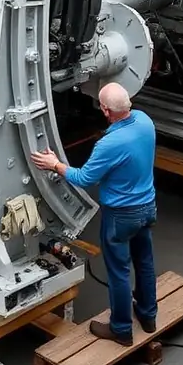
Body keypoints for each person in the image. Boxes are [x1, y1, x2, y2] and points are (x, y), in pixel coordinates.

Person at [31, 82, 157, 346]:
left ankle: (121, 329)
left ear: (105, 110)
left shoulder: (109, 144)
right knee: (144, 261)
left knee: (119, 271)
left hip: (121, 215)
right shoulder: (146, 122)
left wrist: (55, 165)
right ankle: (148, 315)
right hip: (148, 207)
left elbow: (85, 177)